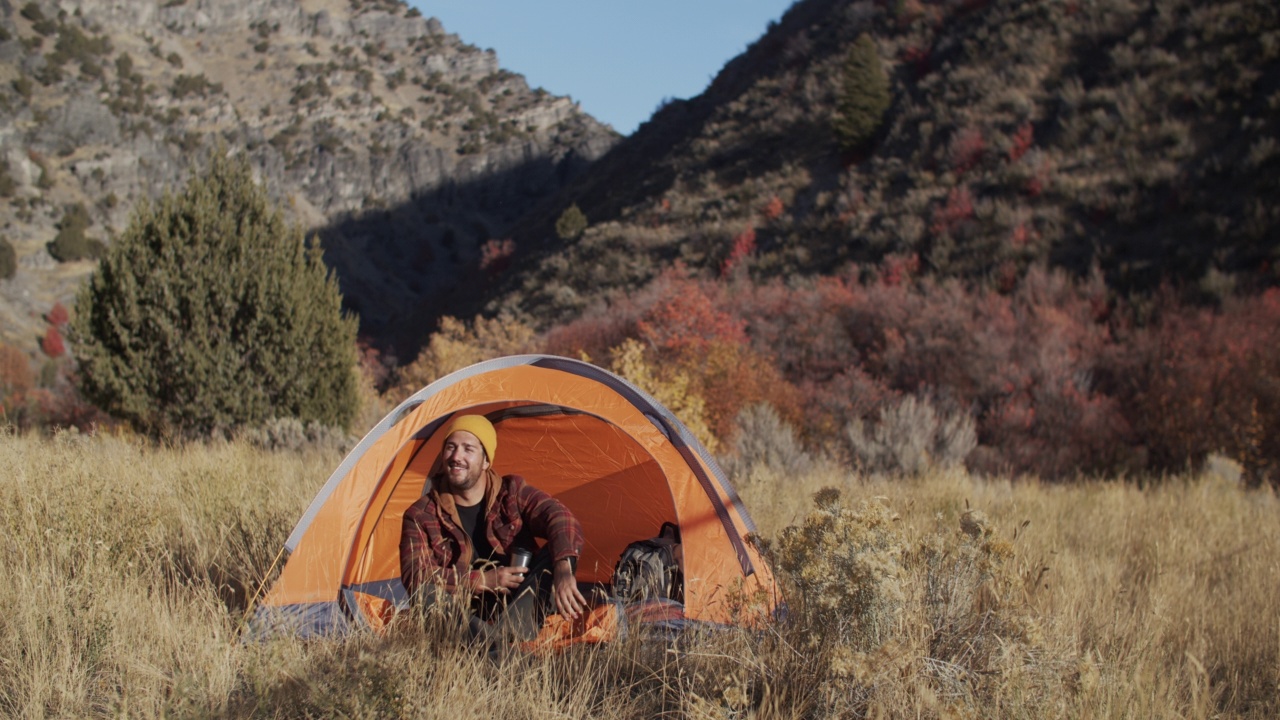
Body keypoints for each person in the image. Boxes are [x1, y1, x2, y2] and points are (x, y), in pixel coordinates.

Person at [399, 414, 588, 643]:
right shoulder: (420, 514)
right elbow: (416, 576)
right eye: (451, 447)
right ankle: (499, 648)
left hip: (517, 608)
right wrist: (480, 581)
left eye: (468, 449)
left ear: (486, 461)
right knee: (425, 594)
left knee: (559, 551)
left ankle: (503, 639)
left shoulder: (512, 492)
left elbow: (560, 517)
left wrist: (563, 568)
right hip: (464, 616)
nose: (456, 456)